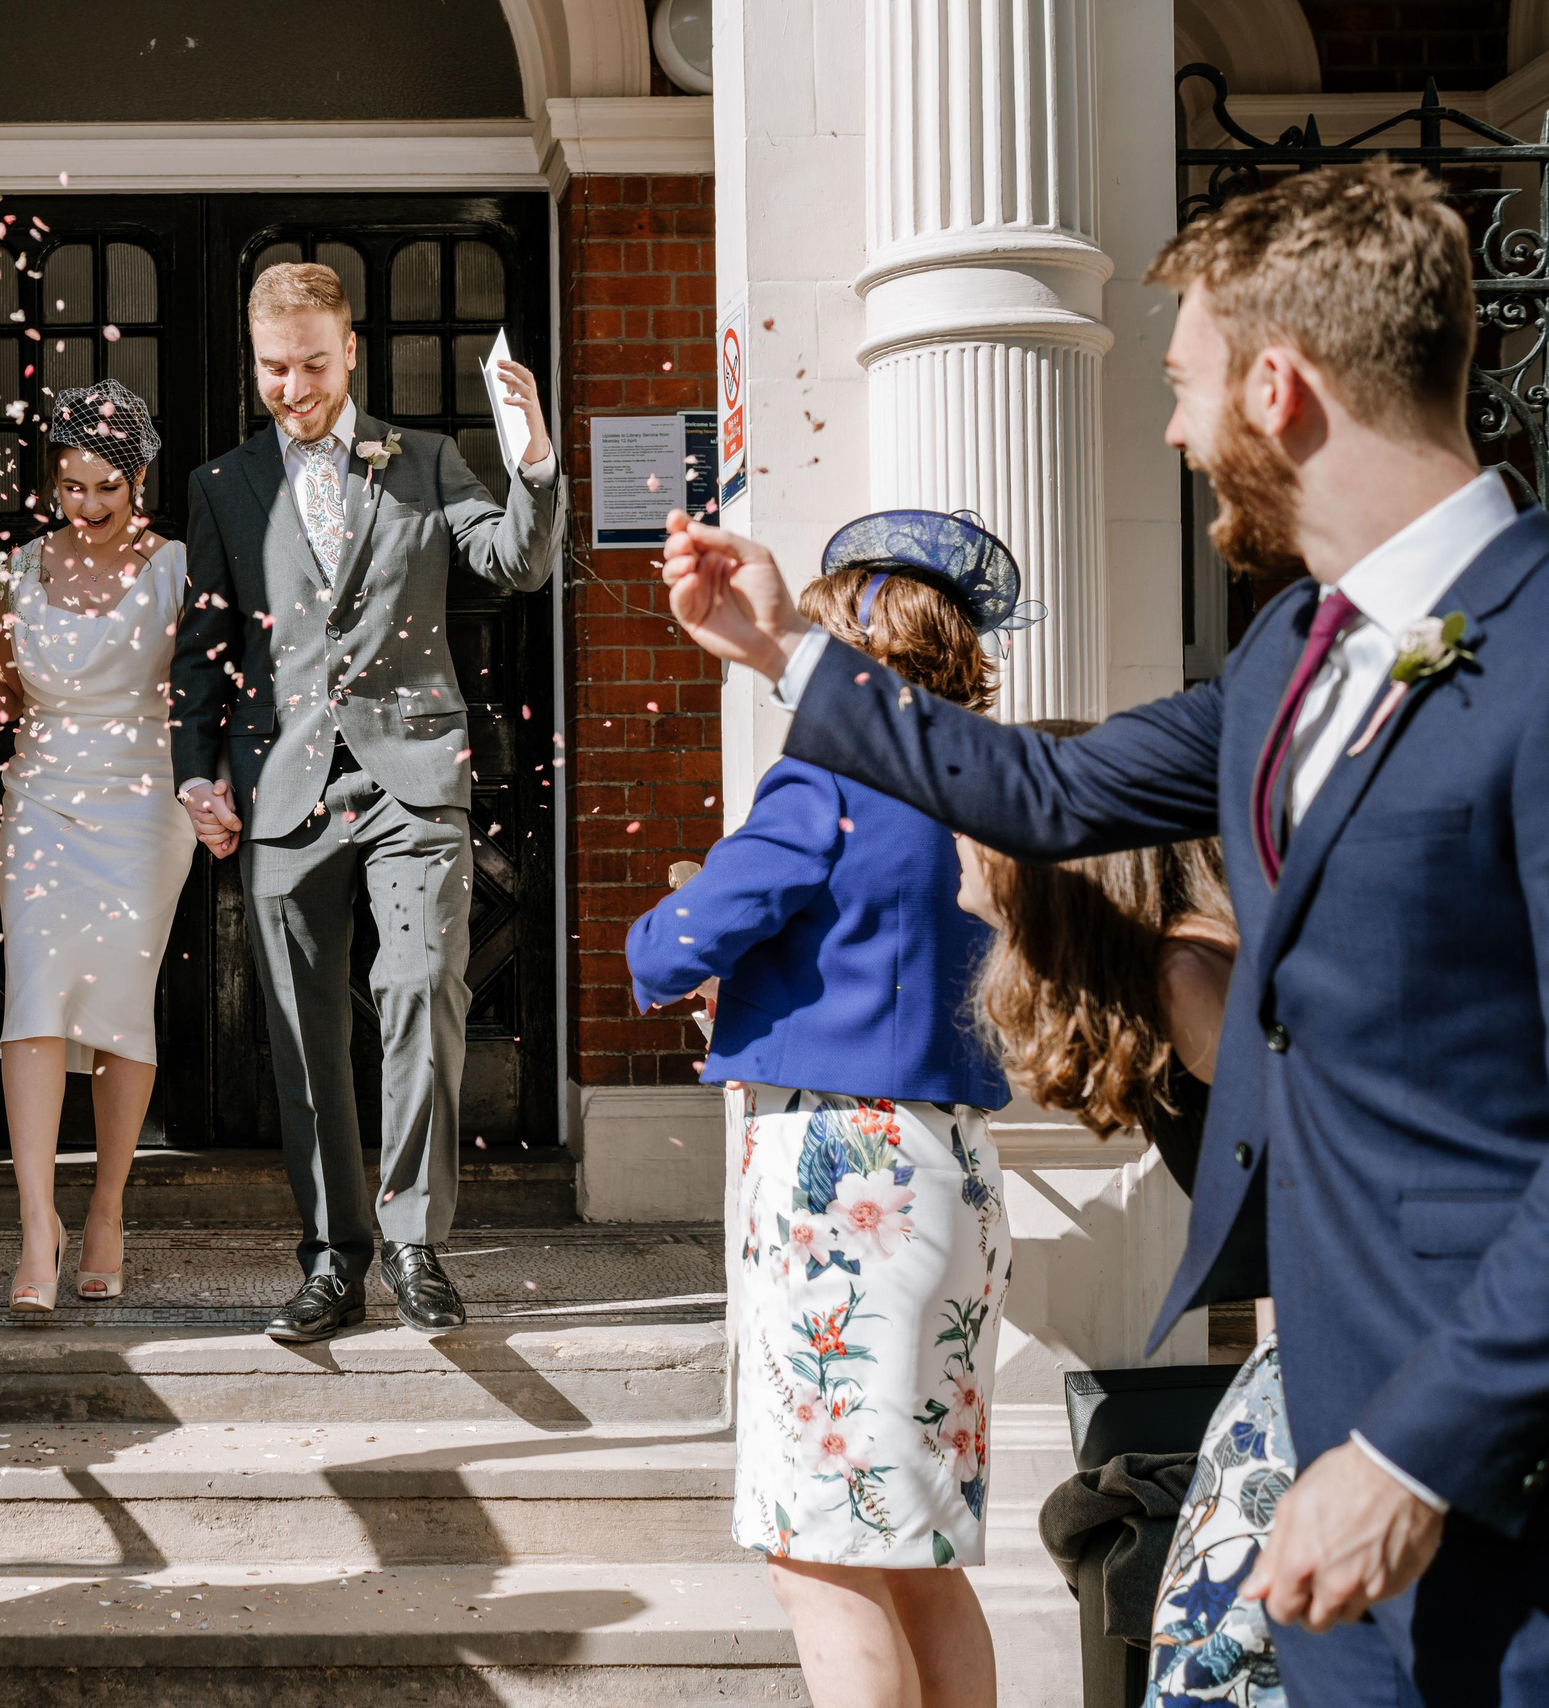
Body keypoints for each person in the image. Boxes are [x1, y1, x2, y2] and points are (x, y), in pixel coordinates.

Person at [659, 159, 1549, 1706]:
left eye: (1187, 385)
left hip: (1491, 1441)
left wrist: (1418, 1448)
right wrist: (789, 648)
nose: (1172, 430)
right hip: (1330, 1430)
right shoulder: (1291, 652)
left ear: (1282, 388)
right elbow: (1048, 789)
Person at [626, 513, 1015, 1708]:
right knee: (919, 1548)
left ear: (846, 639)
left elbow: (673, 941)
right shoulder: (981, 786)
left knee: (819, 1549)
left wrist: (684, 940)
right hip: (952, 1169)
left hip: (842, 1177)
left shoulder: (827, 777)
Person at [168, 261, 563, 1341]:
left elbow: (517, 562)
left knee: (423, 984)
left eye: (308, 364)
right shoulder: (222, 485)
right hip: (281, 785)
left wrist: (529, 451)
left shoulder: (427, 461)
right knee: (300, 1035)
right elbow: (204, 651)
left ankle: (413, 1242)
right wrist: (194, 772)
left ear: (349, 352)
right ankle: (333, 1256)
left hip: (413, 776)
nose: (290, 387)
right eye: (271, 368)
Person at [955, 808, 1283, 1704]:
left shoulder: (1190, 974)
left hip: (1372, 1331)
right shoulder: (1158, 985)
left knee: (1223, 1647)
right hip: (1311, 1342)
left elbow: (1318, 1187)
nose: (951, 852)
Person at [0, 381, 192, 1311]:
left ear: (139, 480)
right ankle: (38, 1222)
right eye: (71, 488)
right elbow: (10, 699)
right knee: (32, 1000)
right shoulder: (18, 569)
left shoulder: (178, 570)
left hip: (144, 807)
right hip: (40, 798)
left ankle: (107, 1207)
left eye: (106, 490)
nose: (86, 508)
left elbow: (202, 696)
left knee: (120, 1004)